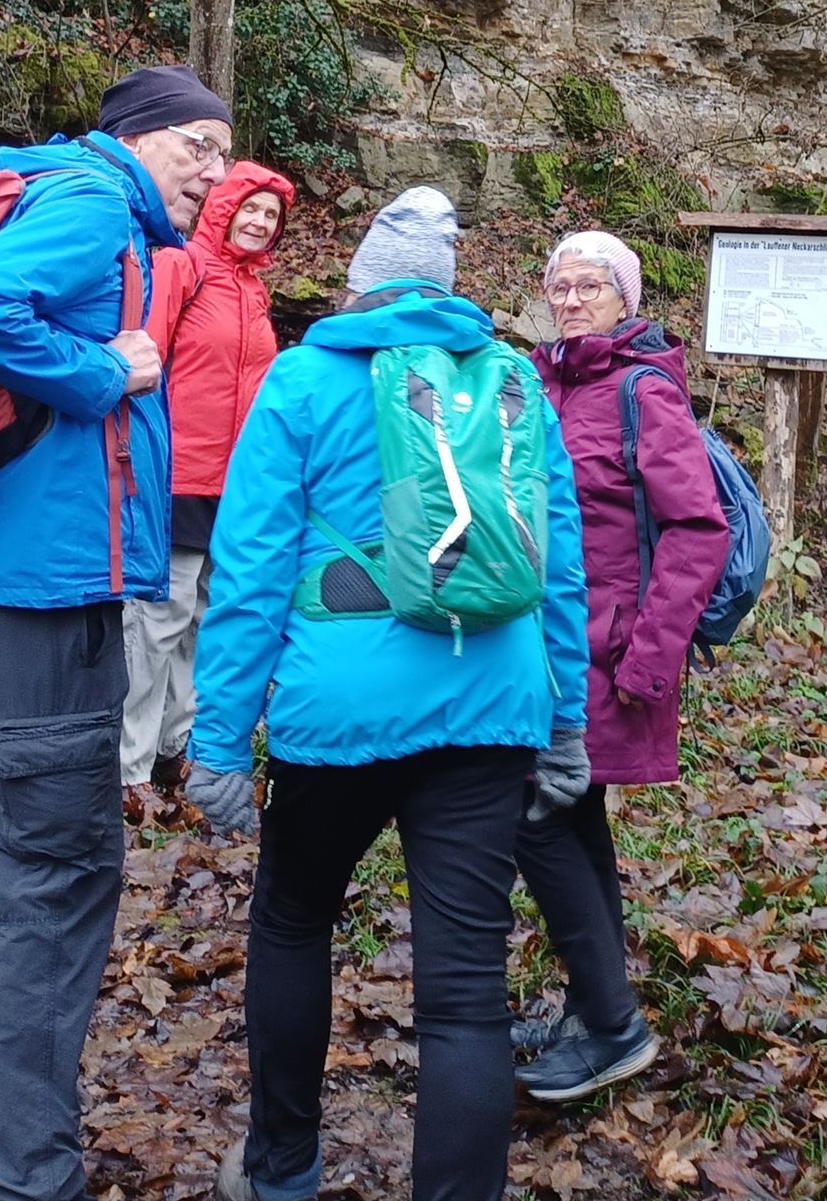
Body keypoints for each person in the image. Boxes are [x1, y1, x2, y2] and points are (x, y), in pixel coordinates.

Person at [184, 187, 590, 1201]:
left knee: (292, 922)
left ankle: (282, 1166)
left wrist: (220, 739)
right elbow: (560, 569)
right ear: (446, 291)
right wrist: (565, 720)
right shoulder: (512, 380)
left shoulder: (301, 380)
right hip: (489, 703)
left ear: (359, 286)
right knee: (464, 989)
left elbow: (249, 572)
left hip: (338, 712)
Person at [0, 64, 231, 1201]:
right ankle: (25, 1176)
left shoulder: (55, 195)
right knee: (56, 874)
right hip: (39, 596)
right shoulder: (89, 203)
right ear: (136, 137)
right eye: (198, 145)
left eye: (226, 153)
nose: (215, 171)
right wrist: (98, 372)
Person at [515, 230, 729, 1104]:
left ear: (625, 300)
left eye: (589, 286)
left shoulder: (644, 389)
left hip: (605, 654)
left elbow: (697, 528)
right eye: (559, 285)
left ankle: (611, 1025)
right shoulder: (540, 380)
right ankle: (592, 1005)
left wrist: (650, 656)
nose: (570, 299)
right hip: (536, 644)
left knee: (537, 813)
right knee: (572, 821)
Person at [120, 160, 295, 791]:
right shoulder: (181, 266)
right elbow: (143, 362)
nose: (260, 222)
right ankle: (128, 767)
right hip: (178, 475)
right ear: (223, 207)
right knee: (156, 621)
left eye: (272, 215)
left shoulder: (254, 291)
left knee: (204, 619)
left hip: (237, 484)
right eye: (251, 208)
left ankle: (175, 749)